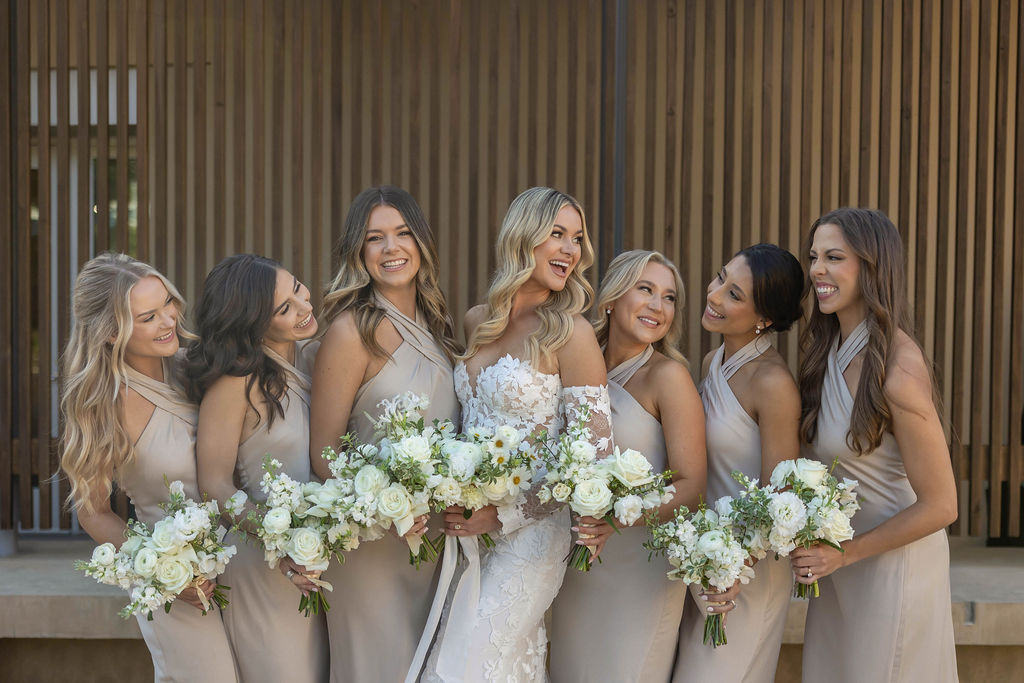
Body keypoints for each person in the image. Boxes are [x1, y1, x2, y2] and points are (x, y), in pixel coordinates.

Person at [410, 187, 613, 682]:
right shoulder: (478, 321)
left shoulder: (571, 332)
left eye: (577, 239)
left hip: (532, 537)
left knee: (465, 671)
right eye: (557, 234)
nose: (570, 250)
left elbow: (594, 457)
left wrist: (502, 514)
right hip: (467, 533)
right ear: (523, 237)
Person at [794, 208, 958, 682]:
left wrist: (846, 553)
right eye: (814, 257)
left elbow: (942, 504)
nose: (817, 270)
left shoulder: (899, 367)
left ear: (872, 266)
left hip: (890, 568)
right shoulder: (828, 352)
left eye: (834, 257)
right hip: (840, 566)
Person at [60, 253, 239, 682]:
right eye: (148, 316)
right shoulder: (102, 405)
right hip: (177, 582)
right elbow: (94, 512)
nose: (169, 320)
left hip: (242, 566)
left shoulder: (195, 368)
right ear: (109, 332)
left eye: (168, 304)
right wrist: (165, 574)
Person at [309, 186, 461, 682]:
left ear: (421, 242)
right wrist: (384, 507)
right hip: (372, 544)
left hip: (436, 543)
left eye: (402, 233)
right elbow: (324, 453)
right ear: (359, 252)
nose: (391, 248)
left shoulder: (440, 326)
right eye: (375, 238)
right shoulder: (351, 332)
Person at [549, 249, 706, 682]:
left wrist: (618, 518)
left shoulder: (668, 378)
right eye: (646, 289)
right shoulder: (575, 361)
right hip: (573, 567)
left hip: (640, 570)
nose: (658, 306)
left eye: (669, 298)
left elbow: (693, 485)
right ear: (613, 299)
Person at [185, 254, 328, 682]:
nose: (304, 307)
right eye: (284, 309)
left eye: (298, 288)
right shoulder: (235, 385)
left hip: (324, 559)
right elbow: (214, 484)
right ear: (251, 324)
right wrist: (282, 540)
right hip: (265, 563)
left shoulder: (319, 356)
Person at [673, 243, 804, 683]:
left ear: (764, 317)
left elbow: (779, 496)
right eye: (719, 278)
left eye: (734, 295)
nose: (713, 295)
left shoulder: (772, 383)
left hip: (746, 572)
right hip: (703, 560)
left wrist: (733, 567)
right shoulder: (713, 362)